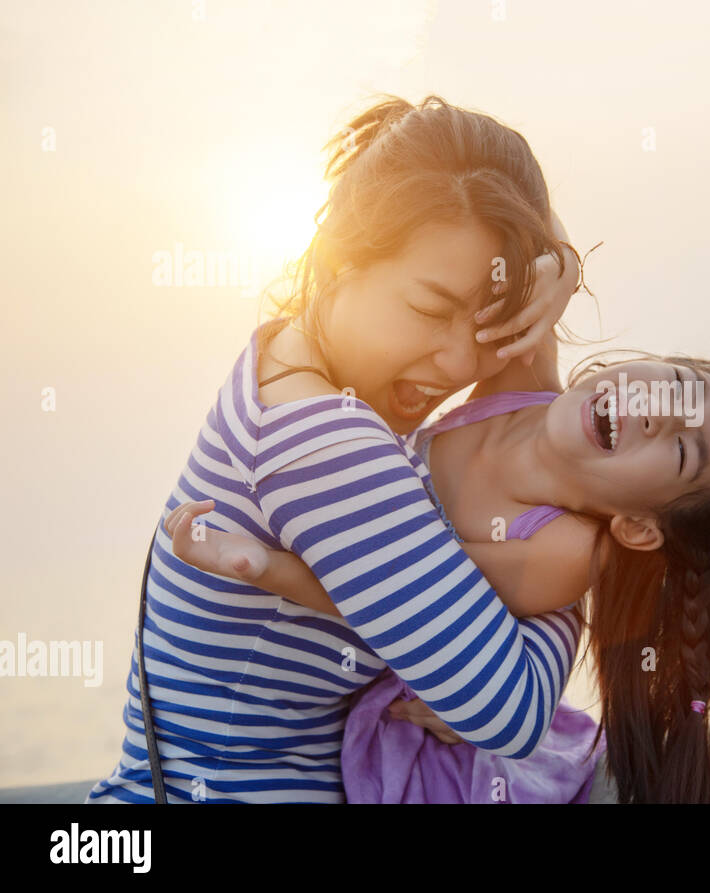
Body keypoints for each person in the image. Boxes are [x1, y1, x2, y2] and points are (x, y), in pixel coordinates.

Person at [87, 94, 593, 803]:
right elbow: (508, 710)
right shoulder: (323, 438)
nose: (455, 361)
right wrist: (575, 561)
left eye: (490, 320)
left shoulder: (287, 363)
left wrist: (559, 261)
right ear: (338, 260)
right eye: (428, 310)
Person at [167, 341, 710, 803]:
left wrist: (266, 565)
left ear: (639, 526)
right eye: (672, 386)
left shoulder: (559, 551)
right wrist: (560, 272)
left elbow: (389, 589)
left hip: (403, 677)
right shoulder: (524, 384)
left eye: (679, 450)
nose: (649, 412)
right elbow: (519, 218)